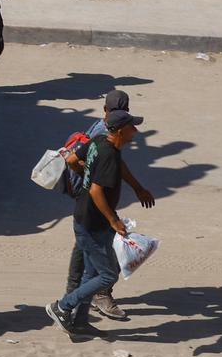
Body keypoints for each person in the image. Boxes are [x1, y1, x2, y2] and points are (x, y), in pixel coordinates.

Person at [49, 108, 148, 338]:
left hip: (87, 218)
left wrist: (138, 188)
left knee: (91, 275)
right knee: (107, 276)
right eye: (132, 127)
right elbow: (95, 190)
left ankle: (80, 321)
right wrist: (113, 220)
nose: (135, 131)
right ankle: (62, 307)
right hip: (93, 223)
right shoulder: (108, 154)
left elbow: (73, 159)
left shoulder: (100, 141)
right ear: (121, 131)